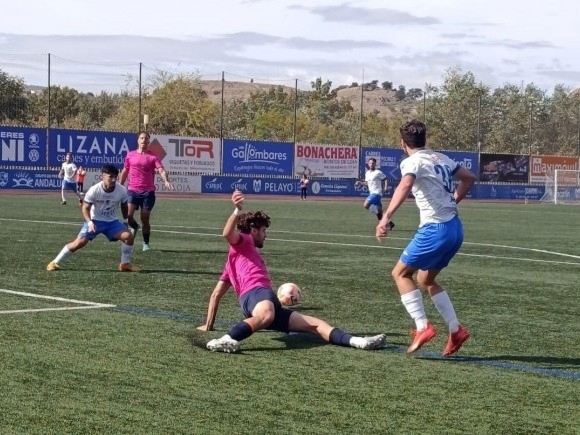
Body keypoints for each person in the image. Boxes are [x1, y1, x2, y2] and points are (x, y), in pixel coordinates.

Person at [197, 190, 387, 353]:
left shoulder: (233, 261)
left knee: (316, 325)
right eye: (263, 230)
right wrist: (237, 210)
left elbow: (215, 295)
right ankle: (227, 339)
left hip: (260, 302)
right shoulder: (245, 240)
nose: (266, 234)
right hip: (257, 294)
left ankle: (360, 342)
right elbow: (227, 234)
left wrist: (209, 325)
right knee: (266, 316)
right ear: (254, 231)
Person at [375, 119, 476, 357]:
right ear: (424, 140)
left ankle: (422, 327)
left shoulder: (411, 161)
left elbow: (405, 185)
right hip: (455, 228)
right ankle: (455, 330)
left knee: (400, 273)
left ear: (403, 143)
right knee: (426, 279)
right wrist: (452, 200)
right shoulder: (440, 158)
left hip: (435, 230)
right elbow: (469, 177)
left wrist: (385, 217)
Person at [46, 164, 140, 272]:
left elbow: (124, 206)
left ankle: (125, 264)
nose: (114, 180)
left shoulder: (121, 190)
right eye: (110, 177)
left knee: (129, 237)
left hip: (111, 222)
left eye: (115, 177)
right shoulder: (94, 190)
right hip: (95, 220)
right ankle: (54, 262)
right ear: (102, 176)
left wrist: (125, 221)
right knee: (79, 243)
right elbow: (85, 208)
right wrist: (90, 223)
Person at [119, 131, 174, 251]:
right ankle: (135, 226)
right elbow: (125, 171)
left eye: (146, 139)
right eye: (142, 138)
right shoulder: (130, 155)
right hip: (132, 190)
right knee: (128, 215)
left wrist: (166, 181)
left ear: (149, 142)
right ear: (138, 140)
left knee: (145, 218)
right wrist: (120, 184)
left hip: (148, 192)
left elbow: (161, 170)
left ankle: (146, 243)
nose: (144, 140)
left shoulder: (153, 157)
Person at [355, 158, 395, 230]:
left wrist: (386, 187)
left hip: (377, 193)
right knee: (380, 211)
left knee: (366, 205)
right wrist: (360, 183)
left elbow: (386, 179)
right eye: (370, 163)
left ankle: (381, 218)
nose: (371, 164)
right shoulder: (367, 173)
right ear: (368, 164)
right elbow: (367, 183)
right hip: (372, 193)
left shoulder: (378, 172)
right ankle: (389, 223)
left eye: (373, 163)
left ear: (375, 164)